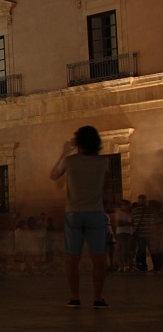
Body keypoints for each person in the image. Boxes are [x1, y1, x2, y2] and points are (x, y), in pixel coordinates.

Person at [49, 126, 110, 307]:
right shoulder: (104, 161)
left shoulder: (70, 161)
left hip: (74, 213)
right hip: (95, 212)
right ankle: (98, 298)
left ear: (79, 142)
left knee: (72, 259)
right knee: (98, 259)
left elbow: (53, 175)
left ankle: (75, 297)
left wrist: (65, 151)